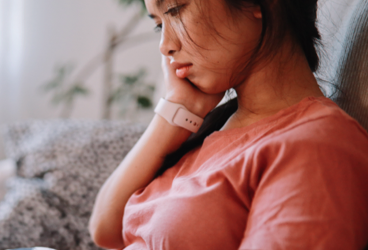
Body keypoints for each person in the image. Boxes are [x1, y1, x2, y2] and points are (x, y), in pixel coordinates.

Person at [89, 0, 368, 249]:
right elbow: (105, 230)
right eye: (158, 25)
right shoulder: (217, 125)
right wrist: (177, 110)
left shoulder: (317, 148)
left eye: (176, 10)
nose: (165, 45)